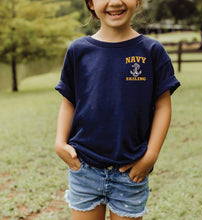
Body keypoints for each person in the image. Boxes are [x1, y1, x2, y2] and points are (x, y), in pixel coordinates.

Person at [55, 0, 180, 219]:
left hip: (131, 172)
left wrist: (150, 155)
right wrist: (59, 143)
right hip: (84, 168)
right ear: (91, 3)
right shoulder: (78, 50)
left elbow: (163, 105)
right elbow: (69, 101)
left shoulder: (152, 51)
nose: (115, 2)